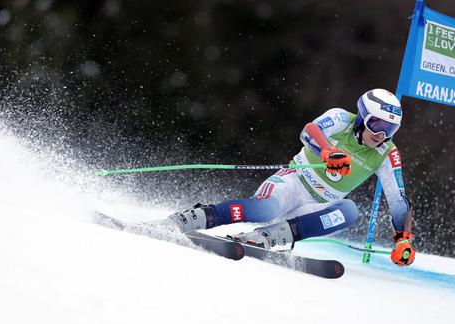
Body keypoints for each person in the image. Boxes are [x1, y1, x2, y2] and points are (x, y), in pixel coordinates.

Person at [164, 88, 415, 266]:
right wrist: (327, 152)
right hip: (294, 183)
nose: (381, 135)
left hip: (315, 206)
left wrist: (403, 239)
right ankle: (191, 218)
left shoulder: (387, 153)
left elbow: (397, 199)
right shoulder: (341, 119)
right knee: (264, 209)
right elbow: (309, 131)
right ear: (362, 117)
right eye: (377, 125)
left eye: (390, 130)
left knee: (348, 211)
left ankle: (268, 237)